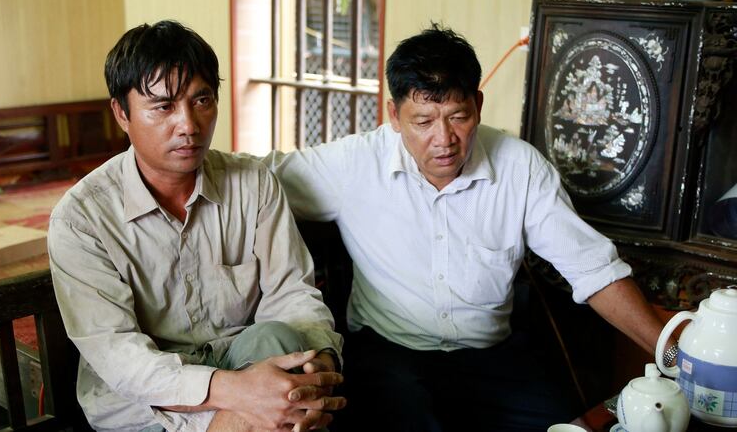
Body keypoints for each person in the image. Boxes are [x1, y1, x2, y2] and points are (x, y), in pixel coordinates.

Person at [262, 24, 671, 431]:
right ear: (393, 115)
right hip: (390, 354)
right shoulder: (355, 164)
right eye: (423, 121)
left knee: (569, 428)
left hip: (492, 356)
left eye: (458, 117)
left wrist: (672, 354)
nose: (444, 139)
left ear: (477, 104)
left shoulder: (519, 167)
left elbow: (593, 269)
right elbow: (256, 180)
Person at [48, 20, 345, 432]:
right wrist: (239, 396)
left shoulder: (254, 184)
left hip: (246, 363)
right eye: (163, 106)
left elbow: (293, 294)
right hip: (143, 402)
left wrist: (319, 363)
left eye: (202, 100)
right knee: (265, 416)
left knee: (286, 352)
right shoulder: (82, 218)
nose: (189, 124)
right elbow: (121, 357)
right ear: (121, 113)